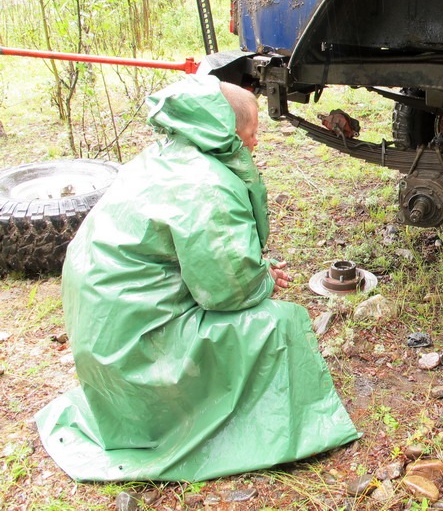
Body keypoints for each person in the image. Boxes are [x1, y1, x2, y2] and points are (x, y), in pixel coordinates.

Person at [35, 75, 360, 481]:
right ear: (226, 132)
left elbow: (195, 259)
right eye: (252, 133)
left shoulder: (162, 158)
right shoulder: (207, 185)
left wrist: (253, 271)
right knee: (283, 321)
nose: (256, 143)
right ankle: (240, 427)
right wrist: (263, 281)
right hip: (137, 352)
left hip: (104, 338)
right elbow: (229, 290)